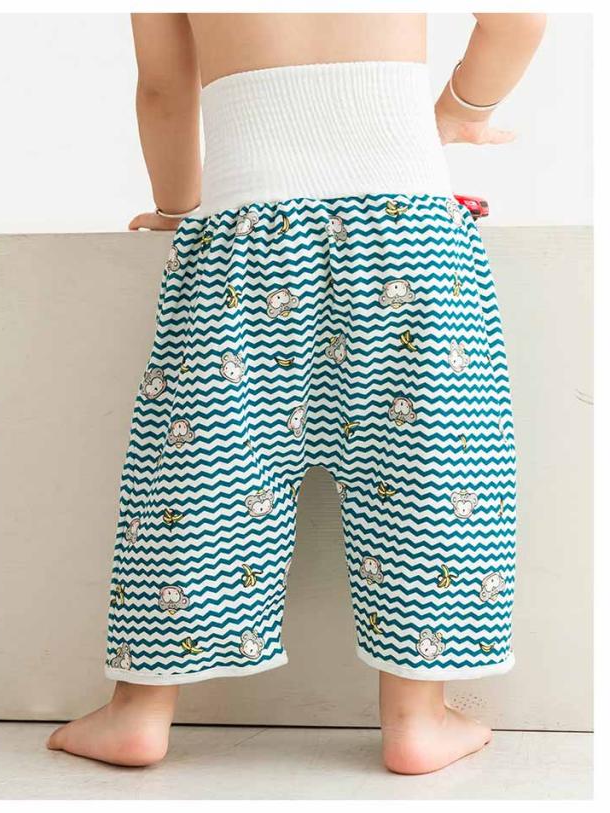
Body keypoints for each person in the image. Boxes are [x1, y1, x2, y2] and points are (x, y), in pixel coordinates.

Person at [47, 12, 546, 774]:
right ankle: (416, 718)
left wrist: (178, 211)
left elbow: (163, 90)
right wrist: (455, 113)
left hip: (246, 240)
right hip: (407, 233)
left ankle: (139, 711)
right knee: (431, 468)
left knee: (200, 474)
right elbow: (519, 18)